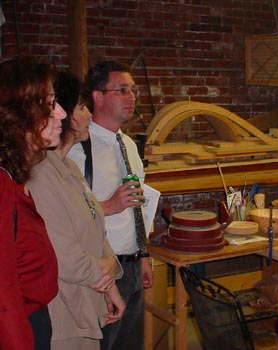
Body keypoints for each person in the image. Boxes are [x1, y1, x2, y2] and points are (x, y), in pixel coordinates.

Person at [27, 71, 126, 350]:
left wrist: (111, 283)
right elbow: (66, 257)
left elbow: (95, 225)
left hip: (89, 297)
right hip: (64, 312)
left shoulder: (68, 167)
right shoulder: (39, 175)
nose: (90, 116)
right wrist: (105, 272)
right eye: (82, 108)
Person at [68, 61, 154, 350]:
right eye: (122, 90)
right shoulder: (78, 148)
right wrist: (109, 205)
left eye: (133, 90)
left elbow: (137, 207)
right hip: (103, 267)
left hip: (131, 263)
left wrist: (143, 254)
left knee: (130, 345)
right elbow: (67, 216)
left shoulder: (127, 143)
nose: (131, 97)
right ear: (98, 96)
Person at [0, 57, 61, 350]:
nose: (61, 113)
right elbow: (3, 294)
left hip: (34, 315)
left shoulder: (12, 177)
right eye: (50, 103)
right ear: (20, 112)